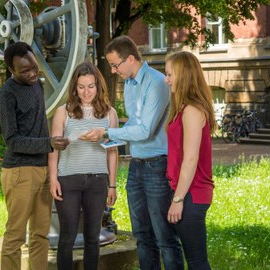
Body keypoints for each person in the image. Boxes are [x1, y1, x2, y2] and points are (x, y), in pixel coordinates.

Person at [80, 35, 184, 270]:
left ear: (130, 58)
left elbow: (145, 130)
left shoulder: (157, 82)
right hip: (136, 165)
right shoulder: (129, 84)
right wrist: (106, 137)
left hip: (157, 165)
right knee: (142, 235)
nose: (114, 71)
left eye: (116, 65)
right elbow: (134, 124)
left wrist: (107, 132)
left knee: (164, 236)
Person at [0, 41, 70, 270]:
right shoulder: (6, 95)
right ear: (12, 70)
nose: (31, 74)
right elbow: (12, 140)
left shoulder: (37, 84)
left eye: (33, 68)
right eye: (24, 71)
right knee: (16, 236)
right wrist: (48, 143)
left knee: (40, 235)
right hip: (19, 172)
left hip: (42, 170)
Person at [48, 62, 118, 269]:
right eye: (81, 87)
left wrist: (112, 184)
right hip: (68, 180)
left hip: (97, 181)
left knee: (92, 237)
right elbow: (54, 148)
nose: (86, 92)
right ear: (74, 88)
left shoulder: (109, 114)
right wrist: (53, 179)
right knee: (67, 237)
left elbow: (112, 152)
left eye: (91, 86)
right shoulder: (64, 112)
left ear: (98, 86)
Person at [164, 51, 216, 269]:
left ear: (183, 75)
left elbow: (191, 159)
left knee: (197, 262)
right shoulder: (183, 108)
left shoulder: (192, 111)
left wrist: (178, 200)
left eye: (169, 75)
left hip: (192, 193)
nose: (166, 80)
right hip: (185, 191)